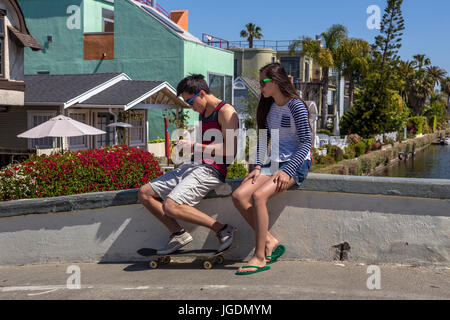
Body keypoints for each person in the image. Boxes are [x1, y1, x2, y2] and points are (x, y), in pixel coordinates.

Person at [138, 74, 240, 254]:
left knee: (171, 205)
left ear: (202, 93)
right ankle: (178, 234)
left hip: (211, 170)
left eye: (191, 102)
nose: (190, 108)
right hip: (194, 166)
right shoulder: (204, 113)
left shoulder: (226, 111)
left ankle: (222, 229)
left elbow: (230, 150)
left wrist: (194, 146)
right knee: (145, 193)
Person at [232, 63, 312, 275]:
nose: (260, 87)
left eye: (263, 82)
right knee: (239, 195)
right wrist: (257, 166)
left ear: (275, 81)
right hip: (273, 162)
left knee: (259, 196)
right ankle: (269, 241)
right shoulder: (268, 106)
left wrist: (288, 171)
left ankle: (259, 257)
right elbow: (263, 139)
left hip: (297, 162)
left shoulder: (296, 106)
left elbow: (306, 142)